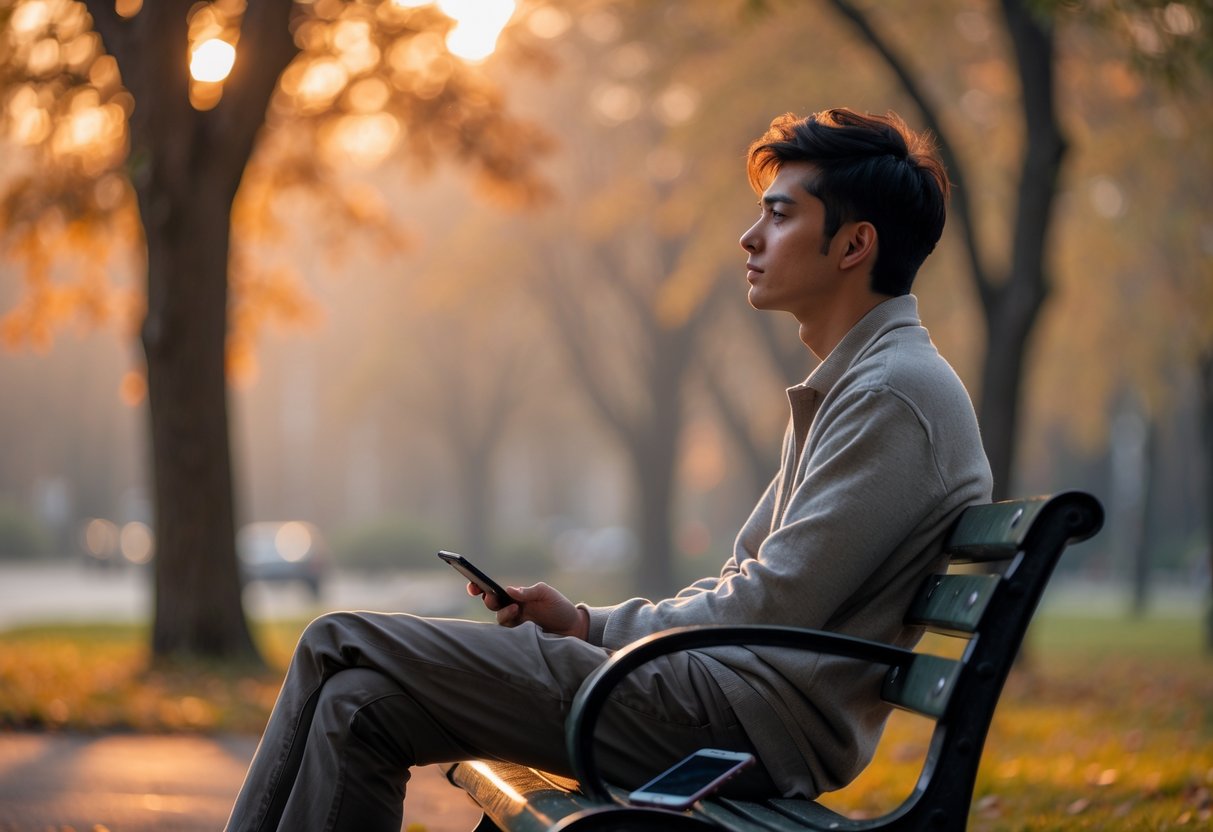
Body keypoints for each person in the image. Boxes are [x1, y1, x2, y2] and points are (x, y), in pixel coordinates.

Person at [224, 107, 992, 832]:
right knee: (360, 703)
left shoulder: (891, 394)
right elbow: (753, 587)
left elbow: (768, 603)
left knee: (335, 640)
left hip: (740, 725)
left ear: (854, 246)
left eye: (780, 214)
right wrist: (585, 626)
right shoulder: (861, 380)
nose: (747, 237)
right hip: (727, 702)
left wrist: (595, 629)